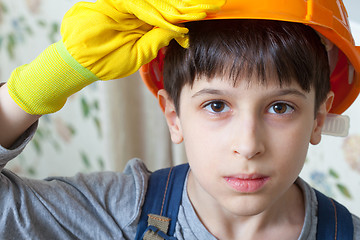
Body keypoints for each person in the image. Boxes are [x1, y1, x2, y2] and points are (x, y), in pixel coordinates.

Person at [0, 0, 359, 239]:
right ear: (173, 115)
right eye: (217, 106)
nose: (249, 145)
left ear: (318, 118)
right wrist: (38, 85)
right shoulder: (123, 212)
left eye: (280, 107)